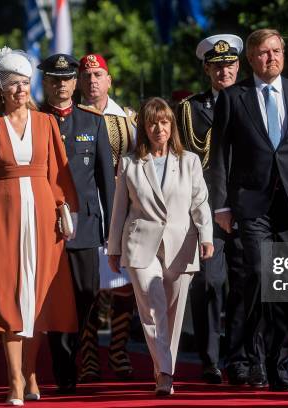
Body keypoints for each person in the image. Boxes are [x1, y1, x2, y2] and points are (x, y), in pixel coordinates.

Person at [209, 29, 288, 391]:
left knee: (286, 285)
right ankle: (250, 361)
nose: (271, 58)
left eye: (277, 51)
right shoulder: (234, 98)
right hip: (250, 204)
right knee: (254, 273)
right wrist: (220, 205)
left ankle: (278, 361)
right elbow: (219, 156)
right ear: (250, 58)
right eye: (264, 53)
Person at [0, 47, 79, 405]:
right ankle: (13, 381)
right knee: (9, 294)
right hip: (3, 218)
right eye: (14, 85)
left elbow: (59, 172)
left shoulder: (46, 123)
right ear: (1, 91)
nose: (21, 90)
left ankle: (30, 373)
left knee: (37, 296)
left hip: (42, 217)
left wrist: (64, 207)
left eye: (26, 83)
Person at [107, 97, 214, 396]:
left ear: (172, 126)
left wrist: (206, 236)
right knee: (153, 308)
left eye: (164, 121)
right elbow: (119, 210)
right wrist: (113, 249)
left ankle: (160, 367)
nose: (159, 128)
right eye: (152, 122)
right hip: (141, 245)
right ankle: (166, 373)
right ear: (143, 126)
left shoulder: (189, 161)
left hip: (181, 244)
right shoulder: (129, 162)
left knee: (172, 313)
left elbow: (200, 203)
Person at [38, 53, 116, 393]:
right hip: (47, 226)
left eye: (66, 79)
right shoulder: (36, 122)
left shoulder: (92, 121)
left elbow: (105, 182)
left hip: (85, 224)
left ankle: (81, 353)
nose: (60, 85)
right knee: (56, 302)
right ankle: (64, 368)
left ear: (75, 83)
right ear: (46, 83)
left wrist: (113, 231)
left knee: (87, 296)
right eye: (54, 79)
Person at [176, 34, 247, 385]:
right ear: (206, 69)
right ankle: (211, 359)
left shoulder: (253, 101)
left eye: (230, 65)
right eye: (217, 66)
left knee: (245, 283)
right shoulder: (190, 109)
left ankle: (240, 358)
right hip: (206, 208)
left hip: (248, 207)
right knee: (209, 283)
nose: (224, 72)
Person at [76, 53, 138, 380]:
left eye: (98, 75)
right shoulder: (70, 117)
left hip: (123, 211)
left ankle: (117, 349)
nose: (92, 81)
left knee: (123, 285)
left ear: (109, 80)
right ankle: (87, 354)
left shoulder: (127, 119)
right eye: (86, 76)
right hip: (86, 210)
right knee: (87, 284)